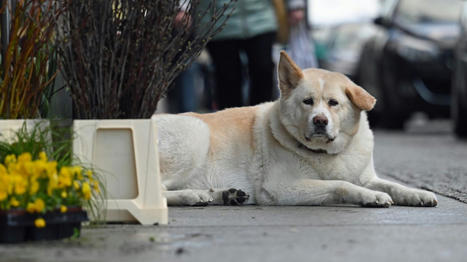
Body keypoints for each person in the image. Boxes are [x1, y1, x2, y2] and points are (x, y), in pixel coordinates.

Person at [199, 0, 278, 110]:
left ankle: (262, 118)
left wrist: (294, 5)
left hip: (261, 18)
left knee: (263, 69)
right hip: (218, 21)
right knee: (227, 77)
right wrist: (181, 8)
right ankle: (231, 123)